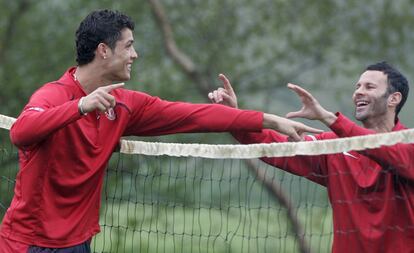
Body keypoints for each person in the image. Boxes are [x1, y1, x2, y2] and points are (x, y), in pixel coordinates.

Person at [0, 9, 321, 252]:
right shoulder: (52, 95)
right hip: (27, 242)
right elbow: (21, 132)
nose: (135, 55)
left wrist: (269, 120)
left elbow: (193, 116)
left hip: (79, 242)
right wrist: (80, 107)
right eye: (129, 46)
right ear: (103, 51)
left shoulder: (124, 104)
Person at [208, 62, 413, 253]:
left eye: (369, 87)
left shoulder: (408, 146)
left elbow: (381, 149)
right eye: (357, 86)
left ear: (393, 99)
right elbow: (273, 147)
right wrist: (235, 117)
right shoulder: (334, 145)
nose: (359, 91)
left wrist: (329, 118)